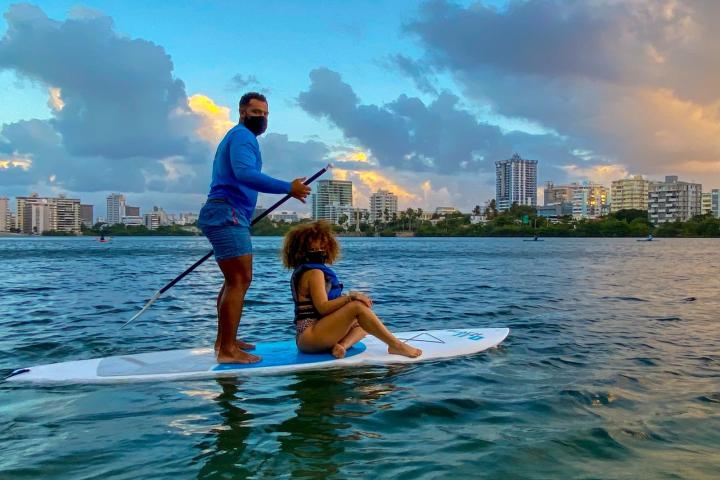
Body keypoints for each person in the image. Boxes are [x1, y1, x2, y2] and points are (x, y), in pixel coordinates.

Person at [198, 92, 311, 364]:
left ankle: (225, 341)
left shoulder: (238, 137)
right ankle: (227, 351)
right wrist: (289, 188)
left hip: (228, 213)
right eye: (256, 112)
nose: (262, 118)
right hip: (228, 213)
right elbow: (245, 174)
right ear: (242, 111)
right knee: (240, 280)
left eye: (265, 114)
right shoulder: (241, 137)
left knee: (232, 280)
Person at [282, 221, 422, 359]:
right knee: (357, 307)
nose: (319, 252)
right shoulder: (314, 273)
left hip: (315, 334)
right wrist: (351, 297)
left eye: (321, 248)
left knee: (367, 322)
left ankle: (342, 345)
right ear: (301, 251)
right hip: (310, 336)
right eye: (312, 250)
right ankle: (396, 345)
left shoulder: (304, 271)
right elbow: (323, 308)